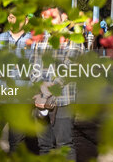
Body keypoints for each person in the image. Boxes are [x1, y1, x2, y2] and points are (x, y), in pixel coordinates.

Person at [30, 21, 84, 160]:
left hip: (63, 100)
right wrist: (40, 86)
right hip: (40, 99)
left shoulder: (74, 41)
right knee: (44, 145)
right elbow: (32, 67)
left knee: (64, 145)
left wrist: (47, 90)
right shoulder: (41, 40)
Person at [0, 11, 32, 153]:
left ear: (25, 20)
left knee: (17, 144)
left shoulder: (34, 42)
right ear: (8, 18)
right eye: (12, 17)